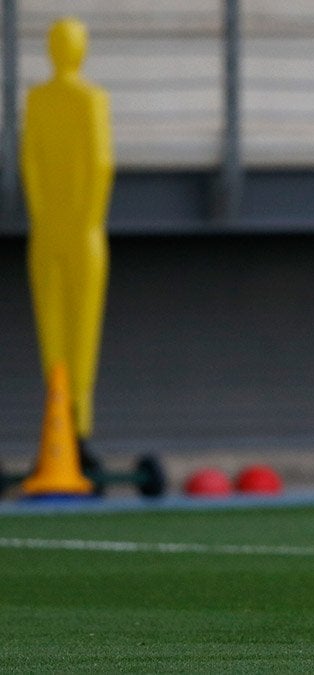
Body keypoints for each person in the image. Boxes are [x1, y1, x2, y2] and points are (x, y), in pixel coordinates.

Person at [22, 17, 114, 458]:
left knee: (55, 335)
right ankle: (75, 431)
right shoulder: (88, 100)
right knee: (79, 334)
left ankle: (64, 431)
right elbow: (99, 164)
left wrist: (44, 217)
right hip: (80, 232)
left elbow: (31, 166)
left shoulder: (39, 100)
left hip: (50, 231)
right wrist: (85, 220)